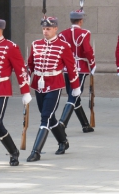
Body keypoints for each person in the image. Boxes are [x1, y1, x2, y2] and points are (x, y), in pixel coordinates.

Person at [26, 16, 80, 162]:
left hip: (54, 85)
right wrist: (26, 76)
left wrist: (75, 87)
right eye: (43, 28)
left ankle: (36, 151)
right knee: (50, 117)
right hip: (38, 84)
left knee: (45, 118)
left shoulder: (63, 46)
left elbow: (71, 68)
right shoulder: (35, 44)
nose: (45, 31)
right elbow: (30, 64)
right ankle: (63, 141)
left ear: (56, 28)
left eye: (48, 29)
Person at [0, 16, 32, 166]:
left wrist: (25, 92)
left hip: (0, 90)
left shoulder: (10, 47)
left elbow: (21, 70)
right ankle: (13, 151)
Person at [58, 9, 95, 133]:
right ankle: (62, 123)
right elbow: (87, 50)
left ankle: (85, 125)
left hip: (67, 69)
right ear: (81, 21)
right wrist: (92, 63)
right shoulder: (84, 33)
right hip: (80, 68)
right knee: (73, 96)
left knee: (74, 96)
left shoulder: (62, 34)